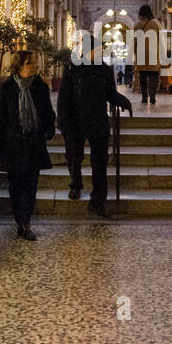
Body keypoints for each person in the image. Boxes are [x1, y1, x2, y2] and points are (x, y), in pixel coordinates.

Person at [58, 36, 133, 218]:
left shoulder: (104, 70)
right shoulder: (72, 69)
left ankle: (97, 201)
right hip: (75, 122)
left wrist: (124, 101)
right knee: (74, 157)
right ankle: (75, 184)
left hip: (98, 121)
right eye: (98, 49)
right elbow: (63, 98)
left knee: (99, 163)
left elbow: (109, 93)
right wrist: (62, 121)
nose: (101, 52)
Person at [0, 50, 55, 240]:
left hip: (33, 142)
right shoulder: (8, 87)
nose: (34, 66)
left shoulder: (40, 87)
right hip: (12, 144)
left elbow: (47, 113)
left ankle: (25, 223)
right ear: (19, 66)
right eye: (29, 63)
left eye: (34, 63)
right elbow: (0, 117)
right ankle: (19, 219)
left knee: (31, 185)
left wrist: (47, 132)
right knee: (15, 185)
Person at [133, 4, 163, 106]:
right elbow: (161, 39)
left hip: (141, 54)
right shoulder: (156, 23)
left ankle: (144, 97)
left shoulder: (137, 25)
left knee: (143, 76)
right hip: (153, 54)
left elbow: (134, 41)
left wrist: (134, 54)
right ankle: (152, 95)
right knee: (154, 76)